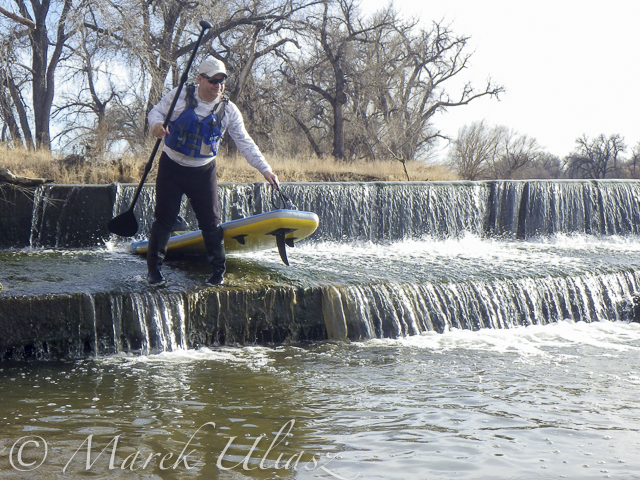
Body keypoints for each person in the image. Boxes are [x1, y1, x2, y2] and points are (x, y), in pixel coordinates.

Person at [146, 56, 278, 286]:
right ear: (200, 79)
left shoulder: (229, 110)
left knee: (211, 223)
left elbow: (245, 142)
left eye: (221, 81)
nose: (217, 86)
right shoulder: (179, 96)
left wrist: (265, 170)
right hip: (171, 167)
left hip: (203, 171)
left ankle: (218, 273)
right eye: (213, 80)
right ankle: (154, 273)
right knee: (164, 220)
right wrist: (156, 125)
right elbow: (155, 112)